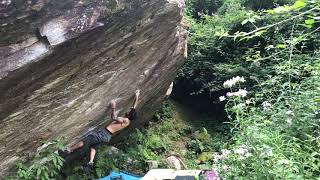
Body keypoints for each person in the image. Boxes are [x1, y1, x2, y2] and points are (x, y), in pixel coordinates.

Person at [63, 90, 140, 168]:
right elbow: (133, 108)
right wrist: (137, 96)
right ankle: (90, 162)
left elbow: (113, 117)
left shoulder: (125, 120)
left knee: (86, 140)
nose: (128, 110)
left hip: (104, 133)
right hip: (107, 136)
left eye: (129, 111)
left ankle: (69, 149)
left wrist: (113, 107)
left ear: (130, 115)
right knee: (94, 147)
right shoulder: (128, 121)